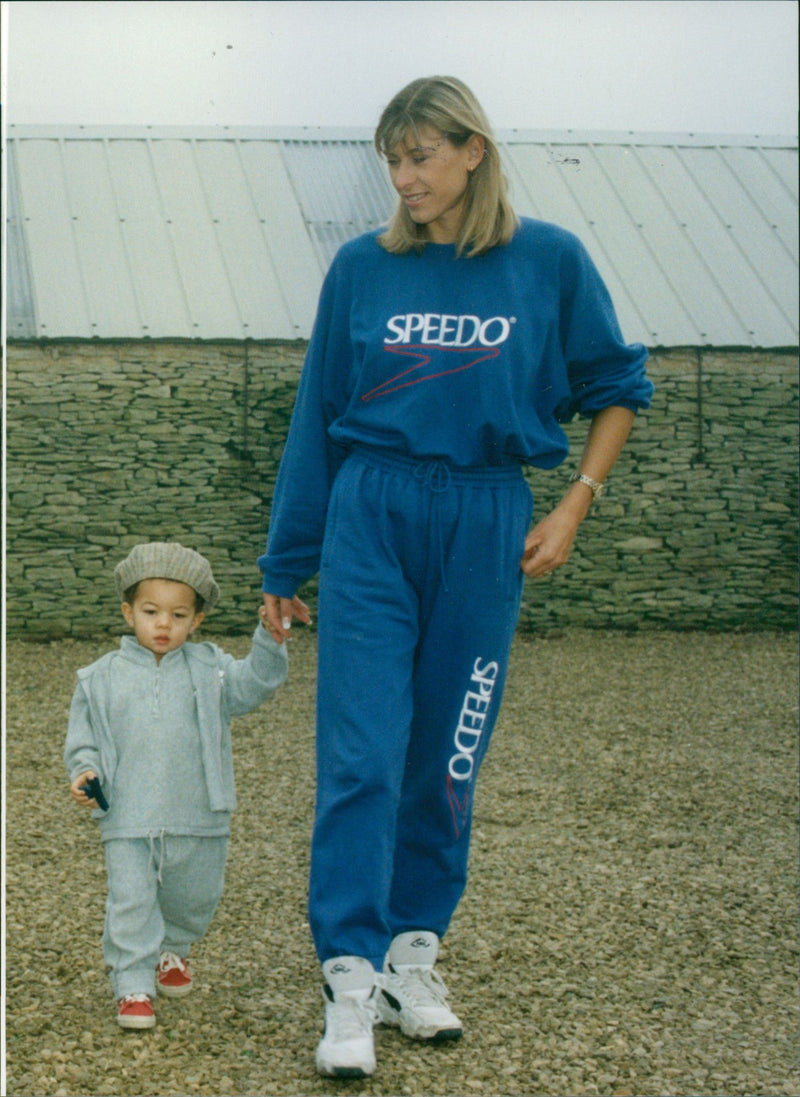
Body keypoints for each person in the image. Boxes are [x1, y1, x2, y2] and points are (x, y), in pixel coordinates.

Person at [258, 75, 653, 1078]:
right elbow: (317, 417)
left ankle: (411, 954)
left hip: (484, 517)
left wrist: (574, 502)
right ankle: (348, 971)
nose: (402, 177)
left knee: (446, 756)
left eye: (419, 155)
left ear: (471, 150)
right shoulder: (360, 269)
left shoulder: (547, 262)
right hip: (372, 516)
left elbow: (616, 391)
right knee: (361, 752)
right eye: (390, 160)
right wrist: (285, 559)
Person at [65, 541, 288, 1030]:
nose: (163, 625)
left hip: (199, 813)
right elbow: (83, 741)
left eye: (178, 614)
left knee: (193, 894)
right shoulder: (99, 678)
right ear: (128, 612)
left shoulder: (213, 670)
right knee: (131, 897)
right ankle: (132, 983)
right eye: (151, 612)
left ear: (196, 621)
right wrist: (84, 771)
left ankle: (174, 949)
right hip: (127, 815)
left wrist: (270, 640)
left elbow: (255, 685)